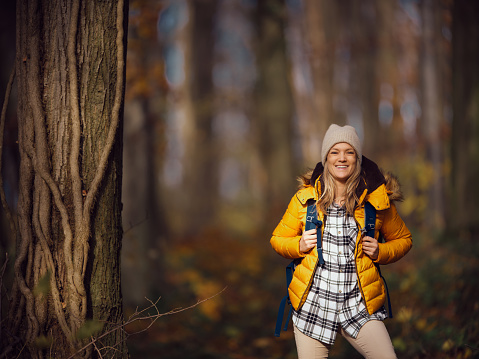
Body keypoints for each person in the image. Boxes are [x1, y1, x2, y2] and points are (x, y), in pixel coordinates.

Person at [271, 124, 412, 359]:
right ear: (326, 158)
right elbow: (277, 239)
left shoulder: (377, 201)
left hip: (358, 307)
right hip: (313, 308)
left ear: (358, 158)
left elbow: (404, 240)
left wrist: (381, 250)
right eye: (335, 152)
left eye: (349, 152)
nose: (342, 158)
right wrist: (299, 245)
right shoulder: (305, 199)